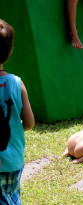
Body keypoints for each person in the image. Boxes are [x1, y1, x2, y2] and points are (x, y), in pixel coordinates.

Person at [0, 19, 35, 204]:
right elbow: (29, 123)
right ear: (9, 53)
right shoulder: (17, 83)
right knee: (11, 198)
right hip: (13, 160)